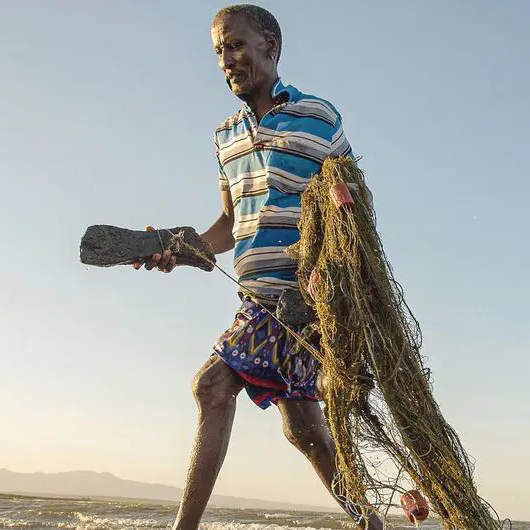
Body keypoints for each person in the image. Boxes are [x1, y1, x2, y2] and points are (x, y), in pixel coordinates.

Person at [134, 5, 384, 529]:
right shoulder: (225, 137)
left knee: (212, 386)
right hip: (256, 297)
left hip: (307, 299)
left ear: (271, 44)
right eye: (220, 51)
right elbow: (227, 226)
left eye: (237, 45)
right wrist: (177, 250)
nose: (228, 59)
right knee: (305, 431)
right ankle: (368, 522)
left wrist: (330, 291)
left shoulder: (319, 117)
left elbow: (353, 212)